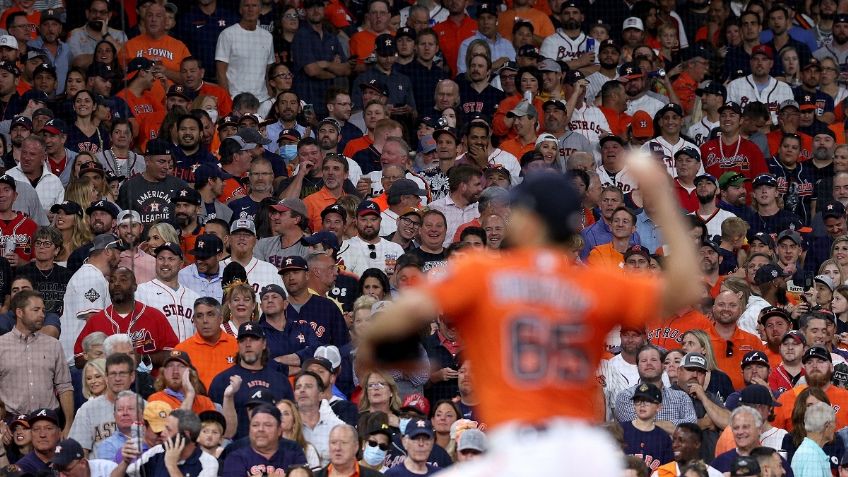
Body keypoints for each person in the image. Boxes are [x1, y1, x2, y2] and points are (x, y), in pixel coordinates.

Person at [207, 321, 295, 439]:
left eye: (253, 339)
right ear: (238, 345)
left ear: (264, 344)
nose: (247, 344)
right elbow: (211, 425)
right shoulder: (222, 381)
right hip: (234, 449)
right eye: (243, 340)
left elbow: (291, 423)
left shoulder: (281, 381)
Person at [114, 409, 219, 477]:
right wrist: (125, 462)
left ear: (186, 435)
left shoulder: (208, 463)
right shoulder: (157, 452)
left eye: (168, 429)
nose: (162, 433)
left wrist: (172, 465)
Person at [69, 352, 136, 456]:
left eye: (97, 376)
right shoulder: (87, 409)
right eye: (89, 378)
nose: (93, 381)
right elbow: (79, 451)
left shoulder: (142, 406)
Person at [214, 0, 274, 114]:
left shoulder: (268, 37)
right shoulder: (228, 34)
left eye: (254, 6)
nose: (250, 9)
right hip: (236, 101)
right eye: (247, 5)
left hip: (262, 101)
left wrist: (270, 97)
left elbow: (267, 72)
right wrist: (227, 101)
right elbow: (220, 73)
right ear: (240, 9)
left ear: (260, 10)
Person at [135, 242, 200, 342]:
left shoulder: (193, 297)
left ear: (181, 264)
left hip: (188, 355)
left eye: (171, 259)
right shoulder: (142, 291)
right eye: (161, 259)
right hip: (158, 355)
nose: (165, 263)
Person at [220, 404, 307, 476]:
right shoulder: (235, 458)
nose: (260, 429)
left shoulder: (294, 454)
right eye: (255, 425)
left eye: (268, 425)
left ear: (279, 430)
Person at [339, 200, 405, 277]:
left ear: (380, 220)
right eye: (364, 220)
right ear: (356, 221)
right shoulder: (345, 247)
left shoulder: (395, 249)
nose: (369, 224)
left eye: (373, 219)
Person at [620, 382, 673, 472]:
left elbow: (667, 472)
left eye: (647, 401)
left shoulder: (664, 438)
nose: (642, 404)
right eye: (638, 401)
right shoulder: (621, 430)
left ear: (659, 407)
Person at [790, 402, 835, 477]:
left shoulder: (808, 451)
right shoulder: (812, 458)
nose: (835, 427)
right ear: (827, 426)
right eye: (834, 423)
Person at [52, 437, 118, 477]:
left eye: (66, 470)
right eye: (58, 471)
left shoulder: (108, 470)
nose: (62, 476)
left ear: (83, 463)